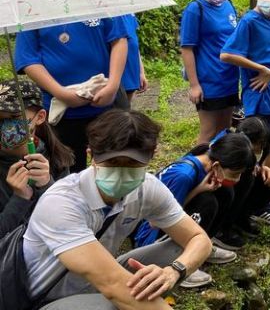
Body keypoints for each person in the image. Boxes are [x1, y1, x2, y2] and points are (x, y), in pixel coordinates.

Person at [23, 109, 212, 307]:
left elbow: (199, 239)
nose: (121, 172)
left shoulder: (147, 188)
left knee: (178, 249)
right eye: (112, 162)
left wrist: (174, 271)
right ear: (91, 156)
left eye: (132, 164)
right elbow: (113, 285)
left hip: (97, 282)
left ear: (151, 157)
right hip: (46, 300)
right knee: (115, 304)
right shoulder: (62, 202)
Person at [15, 16, 129, 172]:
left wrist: (113, 85)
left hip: (107, 101)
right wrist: (61, 93)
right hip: (61, 111)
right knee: (68, 170)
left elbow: (119, 40)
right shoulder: (31, 10)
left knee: (116, 164)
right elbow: (28, 59)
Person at [134, 131, 252, 273]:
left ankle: (201, 249)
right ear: (216, 165)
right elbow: (155, 221)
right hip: (147, 237)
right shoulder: (183, 176)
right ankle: (178, 260)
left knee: (226, 192)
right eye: (234, 174)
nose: (237, 179)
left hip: (163, 223)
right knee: (207, 202)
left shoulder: (209, 156)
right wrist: (198, 191)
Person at [221, 0, 270, 171]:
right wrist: (262, 69)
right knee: (254, 150)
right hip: (259, 97)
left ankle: (269, 192)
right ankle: (251, 192)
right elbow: (226, 54)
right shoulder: (249, 21)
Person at [0, 79, 73, 238]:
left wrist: (47, 185)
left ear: (40, 117)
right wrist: (20, 198)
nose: (4, 126)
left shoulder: (56, 157)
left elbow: (68, 218)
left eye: (13, 117)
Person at [180, 0, 240, 144]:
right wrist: (194, 85)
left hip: (229, 80)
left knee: (224, 130)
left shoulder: (229, 5)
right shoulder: (195, 9)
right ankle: (195, 170)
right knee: (208, 131)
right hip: (208, 82)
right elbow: (187, 48)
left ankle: (216, 169)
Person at [98, 0, 148, 104]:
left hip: (131, 68)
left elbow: (132, 39)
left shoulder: (126, 3)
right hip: (114, 73)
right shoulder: (105, 2)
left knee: (126, 115)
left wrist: (141, 71)